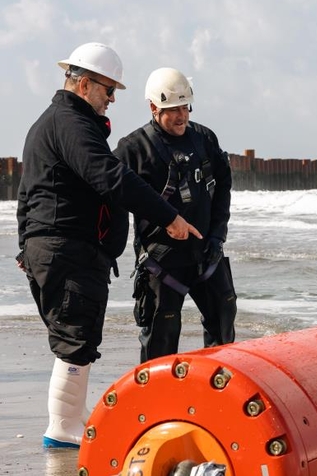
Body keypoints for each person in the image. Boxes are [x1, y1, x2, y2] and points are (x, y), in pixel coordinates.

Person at [16, 42, 202, 449]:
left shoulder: (54, 122)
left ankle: (71, 414)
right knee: (75, 336)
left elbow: (25, 192)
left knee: (76, 334)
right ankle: (64, 428)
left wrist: (23, 247)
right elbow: (110, 177)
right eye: (108, 90)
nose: (113, 99)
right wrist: (169, 216)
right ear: (84, 85)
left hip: (56, 247)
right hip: (66, 248)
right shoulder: (71, 124)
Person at [114, 67, 237, 364]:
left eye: (186, 107)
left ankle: (217, 399)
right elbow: (114, 198)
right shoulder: (132, 149)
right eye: (173, 110)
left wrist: (218, 235)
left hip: (206, 254)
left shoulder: (204, 138)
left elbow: (223, 185)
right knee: (161, 343)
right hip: (162, 263)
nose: (182, 116)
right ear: (154, 107)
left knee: (224, 328)